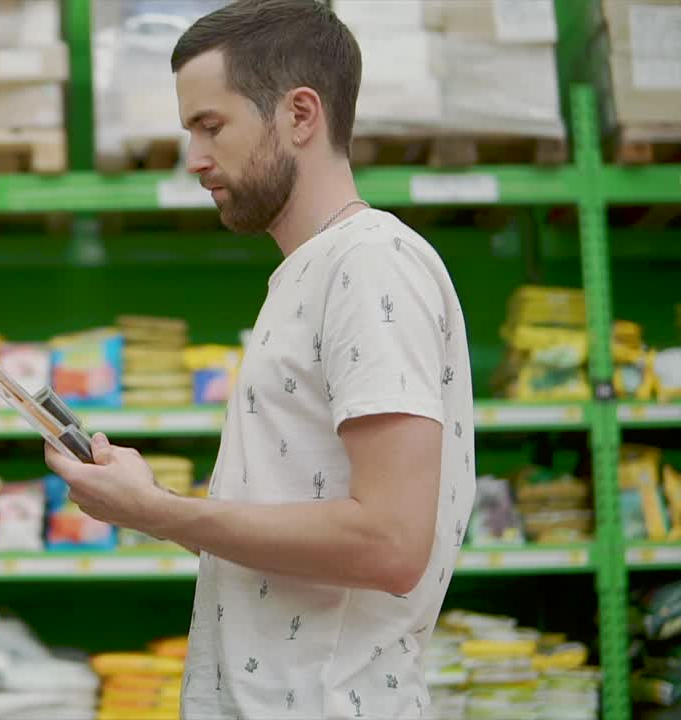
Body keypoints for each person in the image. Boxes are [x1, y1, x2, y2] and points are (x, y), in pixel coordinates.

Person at [43, 1, 477, 718]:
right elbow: (298, 536)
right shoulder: (310, 272)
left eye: (212, 126)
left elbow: (392, 542)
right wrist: (159, 505)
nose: (194, 159)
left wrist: (163, 514)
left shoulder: (369, 265)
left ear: (300, 115)